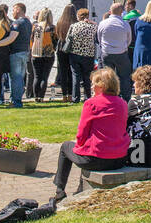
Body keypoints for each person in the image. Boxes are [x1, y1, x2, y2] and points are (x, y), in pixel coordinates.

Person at [51, 66, 130, 202]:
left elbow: (81, 134)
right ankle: (79, 188)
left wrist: (80, 145)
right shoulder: (123, 103)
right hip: (119, 158)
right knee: (86, 146)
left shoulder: (91, 104)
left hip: (96, 159)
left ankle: (60, 190)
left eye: (94, 84)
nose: (91, 87)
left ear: (102, 86)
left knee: (66, 147)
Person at [98, 2, 134, 101]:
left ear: (110, 11)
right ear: (121, 12)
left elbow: (99, 38)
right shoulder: (125, 24)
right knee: (124, 77)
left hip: (107, 52)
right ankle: (125, 98)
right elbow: (129, 40)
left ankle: (108, 96)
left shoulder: (103, 23)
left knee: (107, 77)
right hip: (121, 52)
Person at [64, 8, 98, 104]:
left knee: (76, 76)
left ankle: (75, 98)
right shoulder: (92, 27)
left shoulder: (73, 26)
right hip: (88, 55)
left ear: (78, 16)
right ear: (87, 16)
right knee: (87, 77)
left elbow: (68, 39)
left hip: (75, 54)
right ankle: (87, 97)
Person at [54, 5, 76, 100]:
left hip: (61, 48)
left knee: (62, 72)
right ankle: (71, 94)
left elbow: (57, 35)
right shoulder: (75, 23)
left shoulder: (59, 22)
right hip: (71, 48)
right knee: (71, 72)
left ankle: (64, 95)